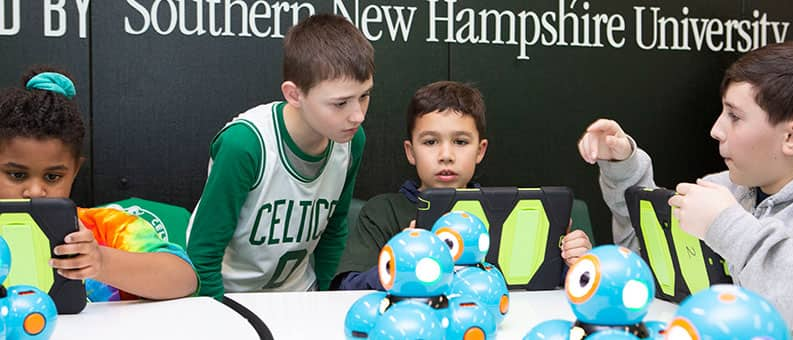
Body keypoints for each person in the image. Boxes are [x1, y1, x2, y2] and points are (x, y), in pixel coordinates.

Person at [578, 41, 793, 339]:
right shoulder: (724, 188)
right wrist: (624, 169)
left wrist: (727, 227)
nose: (716, 129)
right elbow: (650, 269)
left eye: (735, 116)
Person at [333, 81, 592, 290]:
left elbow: (557, 282)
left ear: (480, 151)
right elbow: (348, 285)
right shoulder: (383, 211)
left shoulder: (513, 213)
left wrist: (576, 264)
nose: (446, 155)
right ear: (411, 152)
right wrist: (400, 265)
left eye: (460, 142)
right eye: (431, 142)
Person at [186, 14, 373, 299]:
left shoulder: (350, 140)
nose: (357, 115)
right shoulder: (245, 144)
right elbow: (204, 253)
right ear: (295, 95)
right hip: (231, 296)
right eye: (340, 103)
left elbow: (334, 232)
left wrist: (327, 305)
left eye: (364, 96)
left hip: (299, 295)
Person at [0, 66, 197, 301]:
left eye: (53, 177)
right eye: (17, 175)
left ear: (74, 173)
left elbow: (185, 280)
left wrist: (101, 261)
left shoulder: (105, 228)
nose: (35, 191)